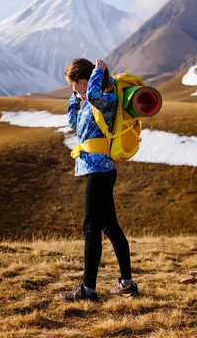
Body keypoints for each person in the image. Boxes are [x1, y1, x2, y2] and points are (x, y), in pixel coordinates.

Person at [59, 58, 138, 302]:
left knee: (91, 228)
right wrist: (76, 98)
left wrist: (98, 72)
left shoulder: (107, 100)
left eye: (74, 85)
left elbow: (94, 95)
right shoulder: (88, 103)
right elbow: (73, 122)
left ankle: (88, 290)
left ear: (83, 81)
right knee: (109, 227)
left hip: (101, 171)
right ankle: (127, 284)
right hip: (96, 170)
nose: (73, 89)